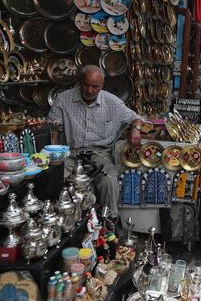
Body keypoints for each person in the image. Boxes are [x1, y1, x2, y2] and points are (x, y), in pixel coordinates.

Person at [49, 65, 144, 216]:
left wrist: (136, 129)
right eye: (86, 84)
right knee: (55, 180)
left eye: (95, 86)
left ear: (102, 85)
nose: (89, 90)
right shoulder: (63, 100)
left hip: (99, 154)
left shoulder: (112, 102)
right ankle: (60, 223)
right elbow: (53, 130)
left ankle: (109, 222)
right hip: (70, 154)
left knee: (109, 180)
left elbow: (136, 119)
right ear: (80, 81)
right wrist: (54, 157)